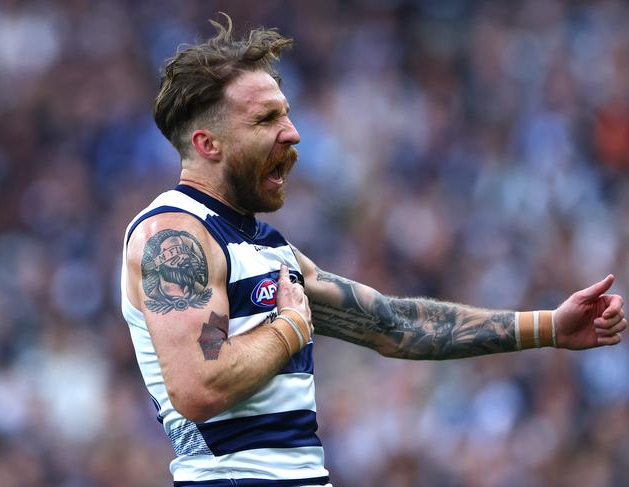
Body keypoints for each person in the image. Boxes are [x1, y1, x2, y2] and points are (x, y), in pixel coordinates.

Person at [121, 14, 627, 487]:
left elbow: (393, 325)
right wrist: (289, 331)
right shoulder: (174, 236)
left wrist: (549, 327)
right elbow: (197, 388)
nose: (292, 133)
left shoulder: (268, 248)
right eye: (265, 120)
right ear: (208, 144)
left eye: (287, 114)